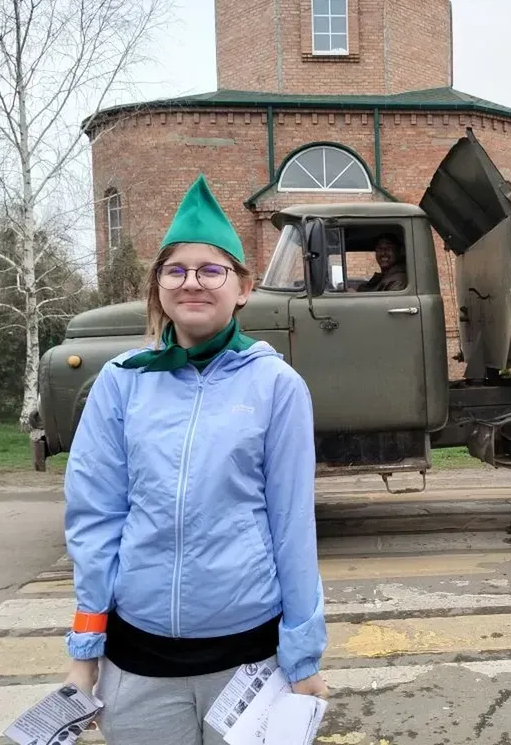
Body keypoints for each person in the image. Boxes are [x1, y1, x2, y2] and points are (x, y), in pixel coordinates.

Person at [62, 175, 328, 744]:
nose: (192, 283)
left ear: (243, 287)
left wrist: (303, 658)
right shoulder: (121, 383)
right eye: (176, 271)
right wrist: (85, 654)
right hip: (138, 665)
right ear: (158, 285)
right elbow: (95, 520)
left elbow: (292, 527)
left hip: (250, 662)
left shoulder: (276, 385)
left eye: (211, 270)